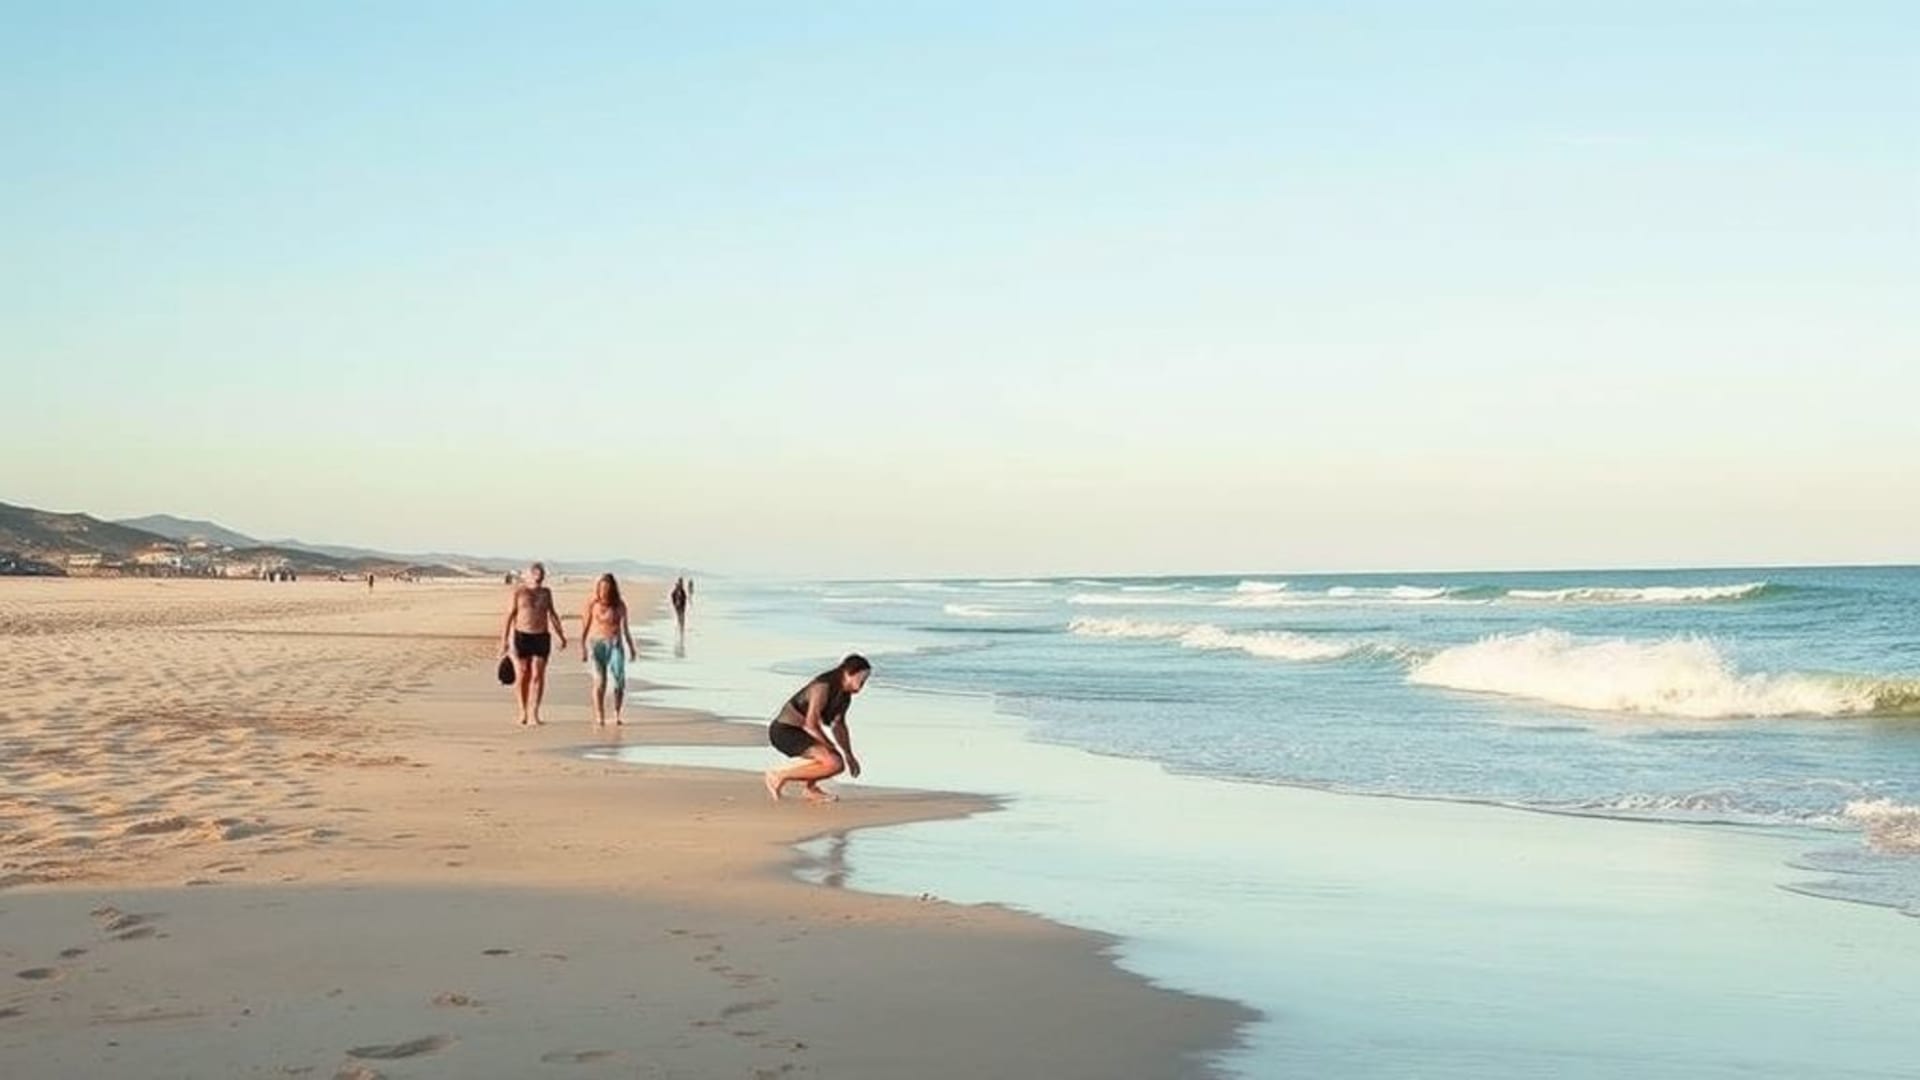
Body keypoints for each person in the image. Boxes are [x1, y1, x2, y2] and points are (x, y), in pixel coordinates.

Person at [764, 654, 870, 803]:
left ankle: (810, 789)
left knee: (836, 762)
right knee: (833, 762)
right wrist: (829, 745)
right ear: (848, 673)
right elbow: (811, 724)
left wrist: (849, 755)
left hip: (802, 731)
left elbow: (838, 726)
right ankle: (778, 775)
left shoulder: (844, 696)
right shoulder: (822, 686)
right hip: (784, 732)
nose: (863, 685)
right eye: (862, 680)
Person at [500, 562, 567, 725]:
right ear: (529, 575)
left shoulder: (546, 593)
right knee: (523, 673)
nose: (539, 576)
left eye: (541, 574)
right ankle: (523, 711)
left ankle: (534, 712)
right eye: (536, 573)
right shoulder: (519, 592)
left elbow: (552, 615)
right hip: (522, 635)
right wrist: (504, 641)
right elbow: (509, 616)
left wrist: (561, 635)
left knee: (537, 674)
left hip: (541, 637)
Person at [580, 573, 638, 726]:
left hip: (615, 644)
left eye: (606, 588)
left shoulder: (619, 605)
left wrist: (632, 648)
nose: (603, 591)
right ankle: (600, 715)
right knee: (600, 681)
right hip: (597, 644)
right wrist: (583, 647)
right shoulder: (593, 604)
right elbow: (586, 626)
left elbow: (625, 629)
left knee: (619, 681)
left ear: (612, 589)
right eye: (601, 588)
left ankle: (617, 713)